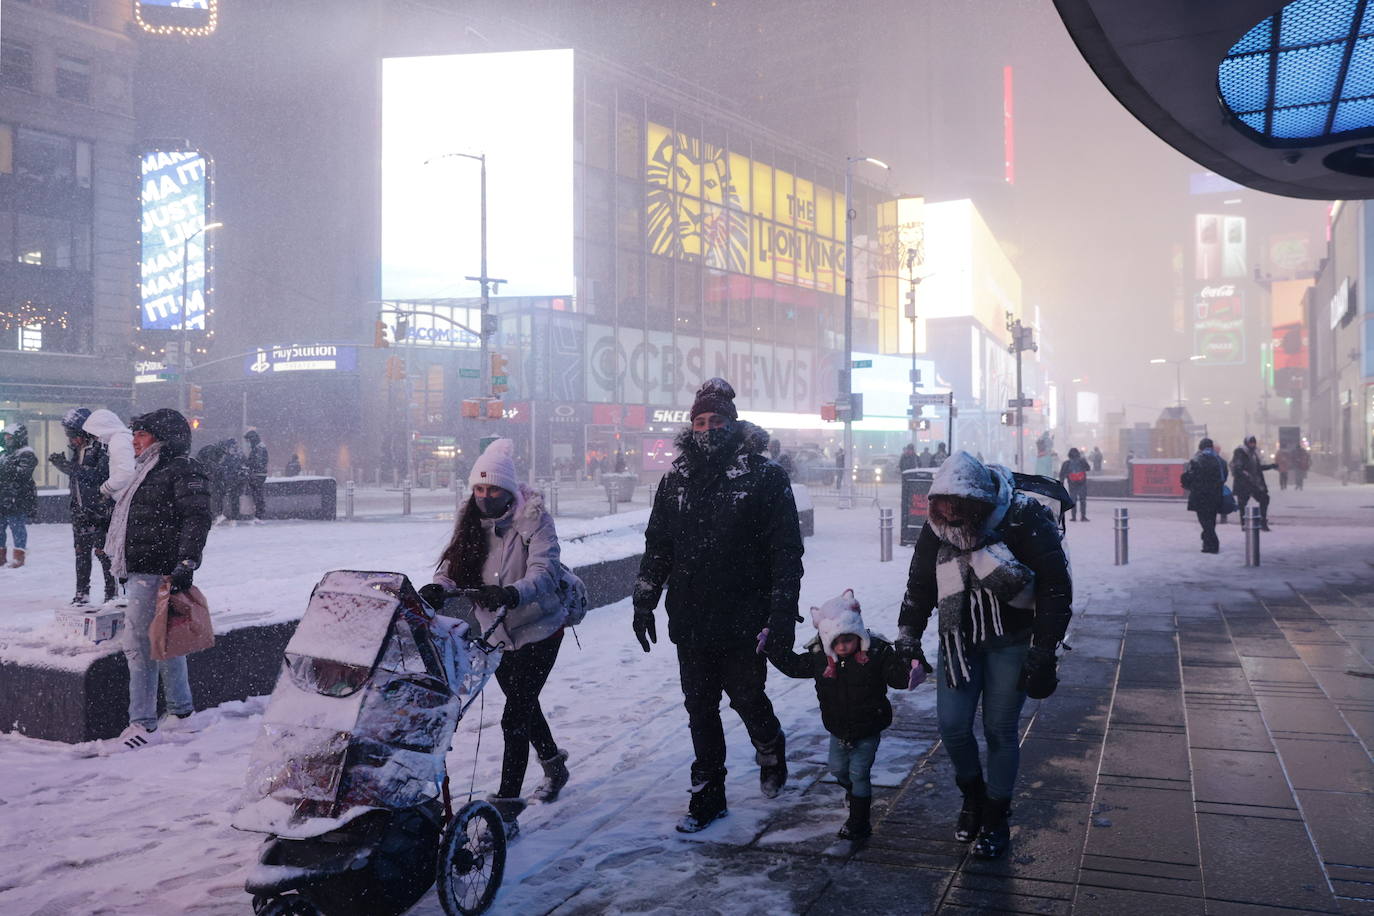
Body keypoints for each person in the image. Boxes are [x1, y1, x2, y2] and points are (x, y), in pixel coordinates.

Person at [633, 378, 804, 833]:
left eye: (717, 421)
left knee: (746, 696)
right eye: (700, 421)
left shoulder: (765, 477)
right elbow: (659, 544)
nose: (708, 429)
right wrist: (645, 597)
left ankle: (769, 744)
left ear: (733, 424)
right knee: (700, 706)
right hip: (691, 616)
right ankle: (707, 793)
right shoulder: (675, 480)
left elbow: (786, 553)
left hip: (746, 616)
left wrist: (781, 616)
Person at [895, 451, 1072, 859]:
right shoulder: (938, 525)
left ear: (980, 503)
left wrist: (1044, 652)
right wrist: (908, 637)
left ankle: (995, 816)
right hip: (959, 641)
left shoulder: (1022, 516)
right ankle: (973, 795)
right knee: (953, 727)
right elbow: (920, 584)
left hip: (1011, 641)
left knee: (999, 730)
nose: (950, 518)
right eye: (942, 508)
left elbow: (1054, 586)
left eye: (959, 509)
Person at [420, 439, 569, 840]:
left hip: (540, 627)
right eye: (479, 489)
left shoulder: (534, 519)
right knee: (524, 702)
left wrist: (513, 593)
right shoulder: (470, 519)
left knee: (515, 715)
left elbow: (545, 569)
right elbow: (454, 564)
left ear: (509, 491)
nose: (485, 497)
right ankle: (554, 766)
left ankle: (506, 811)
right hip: (497, 631)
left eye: (494, 490)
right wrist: (439, 586)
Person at [768, 589, 927, 842]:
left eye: (849, 640)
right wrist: (772, 647)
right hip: (837, 728)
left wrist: (912, 670)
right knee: (838, 770)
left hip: (869, 725)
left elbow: (896, 676)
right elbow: (794, 667)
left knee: (859, 773)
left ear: (859, 636)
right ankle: (854, 795)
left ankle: (859, 822)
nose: (843, 646)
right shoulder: (820, 658)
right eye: (837, 642)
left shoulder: (876, 654)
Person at [102, 409, 211, 751]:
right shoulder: (148, 472)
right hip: (143, 567)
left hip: (155, 570)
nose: (134, 440)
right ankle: (182, 713)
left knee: (139, 647)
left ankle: (143, 724)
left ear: (163, 439)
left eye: (142, 434)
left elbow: (197, 518)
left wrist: (186, 561)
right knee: (164, 641)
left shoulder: (181, 469)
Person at [48, 409, 117, 604]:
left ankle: (111, 594)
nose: (71, 440)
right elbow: (80, 478)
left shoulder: (102, 447)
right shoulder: (77, 451)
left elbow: (99, 476)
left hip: (100, 512)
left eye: (73, 435)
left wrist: (70, 468)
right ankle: (81, 593)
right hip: (79, 511)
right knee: (81, 554)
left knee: (104, 555)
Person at [0, 424, 38, 569]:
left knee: (17, 528)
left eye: (10, 437)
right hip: (2, 498)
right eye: (6, 437)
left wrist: (6, 467)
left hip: (17, 499)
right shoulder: (4, 454)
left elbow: (23, 474)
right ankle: (1, 557)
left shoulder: (26, 453)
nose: (7, 440)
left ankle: (18, 557)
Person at [1182, 438, 1226, 553]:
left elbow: (1189, 477)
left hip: (1200, 496)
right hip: (1215, 495)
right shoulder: (1220, 460)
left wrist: (1188, 484)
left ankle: (1213, 544)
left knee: (1204, 522)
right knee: (1211, 520)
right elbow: (1224, 477)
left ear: (1200, 447)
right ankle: (1207, 545)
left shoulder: (1197, 459)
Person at [1231, 437, 1274, 531]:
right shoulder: (1240, 452)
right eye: (1251, 443)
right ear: (1246, 443)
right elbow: (1238, 468)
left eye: (1254, 443)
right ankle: (1244, 524)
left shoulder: (1254, 454)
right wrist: (1245, 474)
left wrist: (1270, 466)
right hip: (1243, 484)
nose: (1253, 445)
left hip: (1254, 483)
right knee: (1242, 504)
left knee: (1264, 498)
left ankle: (1263, 522)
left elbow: (1257, 468)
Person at [1058, 447, 1091, 522]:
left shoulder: (1066, 463)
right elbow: (1088, 468)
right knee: (1083, 500)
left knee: (1073, 500)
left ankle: (1074, 517)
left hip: (1072, 484)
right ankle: (1083, 516)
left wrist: (1062, 483)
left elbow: (1062, 474)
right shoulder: (1082, 461)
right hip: (1082, 483)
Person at [220, 438, 248, 525]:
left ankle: (233, 516)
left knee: (233, 498)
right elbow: (245, 465)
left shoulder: (229, 456)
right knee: (234, 498)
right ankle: (234, 515)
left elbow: (225, 466)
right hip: (236, 480)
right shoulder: (239, 455)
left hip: (232, 480)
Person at [243, 429, 269, 523]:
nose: (248, 443)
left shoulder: (259, 449)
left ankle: (259, 516)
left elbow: (257, 463)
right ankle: (258, 515)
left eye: (248, 441)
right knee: (257, 495)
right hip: (258, 474)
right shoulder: (259, 448)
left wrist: (247, 463)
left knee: (258, 495)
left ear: (252, 440)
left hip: (258, 475)